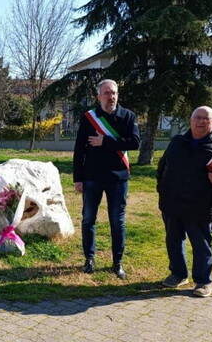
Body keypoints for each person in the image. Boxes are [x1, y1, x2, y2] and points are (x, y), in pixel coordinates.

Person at [157, 106, 212, 297]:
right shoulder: (177, 142)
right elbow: (162, 166)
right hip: (173, 203)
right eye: (197, 117)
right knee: (173, 241)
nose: (201, 121)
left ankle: (203, 282)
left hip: (201, 205)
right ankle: (178, 274)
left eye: (206, 119)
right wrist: (162, 190)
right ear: (190, 120)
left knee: (201, 245)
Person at [73, 79, 140, 279]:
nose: (111, 97)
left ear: (117, 95)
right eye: (106, 93)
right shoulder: (89, 118)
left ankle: (117, 262)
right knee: (88, 219)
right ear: (99, 96)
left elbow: (135, 143)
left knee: (117, 221)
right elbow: (79, 150)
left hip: (118, 178)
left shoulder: (128, 116)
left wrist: (105, 141)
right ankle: (89, 259)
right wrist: (78, 178)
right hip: (92, 177)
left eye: (114, 93)